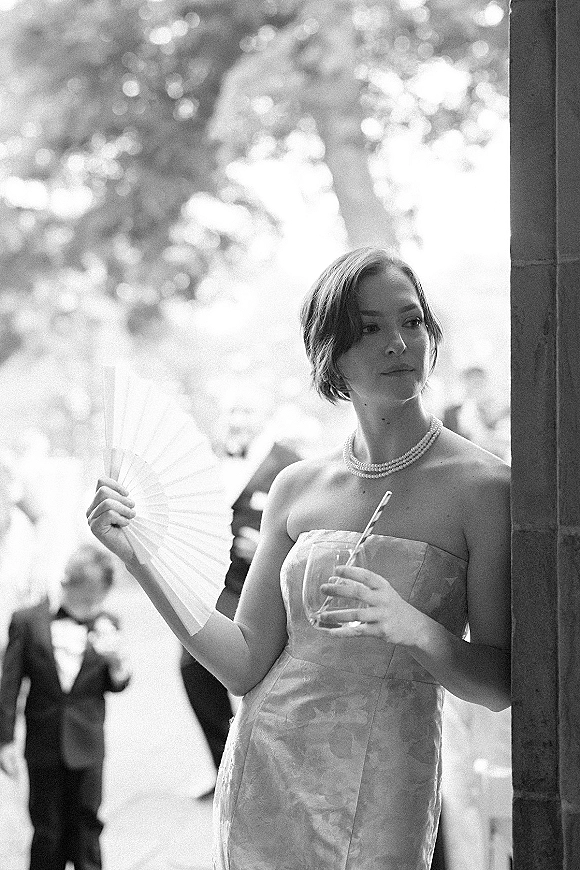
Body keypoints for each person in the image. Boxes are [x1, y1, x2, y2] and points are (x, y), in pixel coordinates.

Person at [86, 246, 511, 870]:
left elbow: (499, 684)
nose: (398, 342)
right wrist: (141, 557)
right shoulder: (296, 486)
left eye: (412, 320)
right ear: (330, 353)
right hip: (268, 769)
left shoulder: (485, 489)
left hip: (386, 780)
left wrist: (417, 629)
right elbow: (243, 664)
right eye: (369, 328)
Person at [180, 400, 300, 791]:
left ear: (263, 415)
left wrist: (268, 547)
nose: (238, 420)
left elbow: (312, 531)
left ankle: (270, 769)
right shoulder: (208, 463)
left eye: (246, 410)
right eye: (232, 411)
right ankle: (224, 765)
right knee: (193, 665)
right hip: (215, 583)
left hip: (264, 585)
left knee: (261, 674)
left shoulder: (290, 464)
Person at [0, 542, 131, 870]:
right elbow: (9, 686)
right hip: (43, 743)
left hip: (88, 743)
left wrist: (116, 664)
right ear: (66, 584)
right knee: (47, 829)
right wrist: (5, 740)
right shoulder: (27, 621)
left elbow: (115, 684)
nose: (92, 609)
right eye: (86, 601)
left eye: (98, 601)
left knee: (88, 826)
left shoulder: (108, 622)